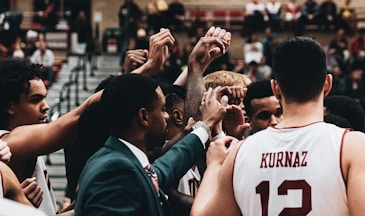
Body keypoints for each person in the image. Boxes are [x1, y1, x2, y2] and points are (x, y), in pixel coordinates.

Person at [191, 37, 365, 216]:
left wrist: (215, 165)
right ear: (327, 84)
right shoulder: (354, 147)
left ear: (276, 89)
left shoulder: (240, 152)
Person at [74, 74, 229, 215]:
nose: (167, 116)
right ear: (144, 117)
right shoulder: (116, 171)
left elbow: (165, 168)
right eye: (162, 109)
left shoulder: (119, 160)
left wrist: (206, 125)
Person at [0, 58, 101, 215]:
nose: (45, 106)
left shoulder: (30, 145)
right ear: (9, 106)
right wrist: (143, 71)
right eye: (35, 100)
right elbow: (80, 116)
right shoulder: (8, 144)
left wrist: (80, 204)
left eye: (44, 98)